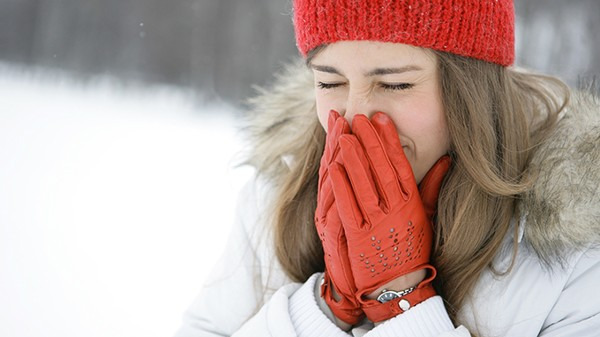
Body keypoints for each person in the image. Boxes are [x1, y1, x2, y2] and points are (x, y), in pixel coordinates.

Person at [175, 0, 600, 336]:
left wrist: (401, 300)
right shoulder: (278, 187)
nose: (356, 118)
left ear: (470, 87)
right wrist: (326, 308)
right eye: (329, 82)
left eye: (395, 84)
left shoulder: (578, 239)